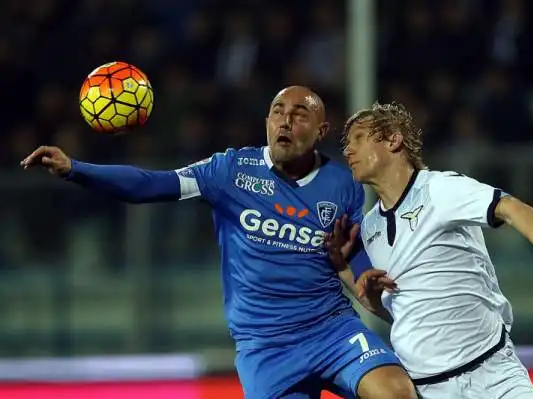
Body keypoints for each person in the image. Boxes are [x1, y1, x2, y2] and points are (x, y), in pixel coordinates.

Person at [21, 87, 417, 399]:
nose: (285, 121)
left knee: (397, 392)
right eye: (278, 112)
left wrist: (366, 280)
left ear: (321, 131)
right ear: (266, 121)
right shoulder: (228, 170)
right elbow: (150, 185)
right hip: (265, 347)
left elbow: (349, 255)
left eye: (300, 115)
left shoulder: (342, 184)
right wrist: (76, 169)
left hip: (330, 330)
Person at [329, 101, 533, 399]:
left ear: (393, 139)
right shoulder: (370, 228)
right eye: (346, 143)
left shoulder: (440, 189)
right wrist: (349, 274)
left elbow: (513, 208)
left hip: (493, 374)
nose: (348, 150)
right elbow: (402, 312)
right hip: (428, 388)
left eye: (359, 138)